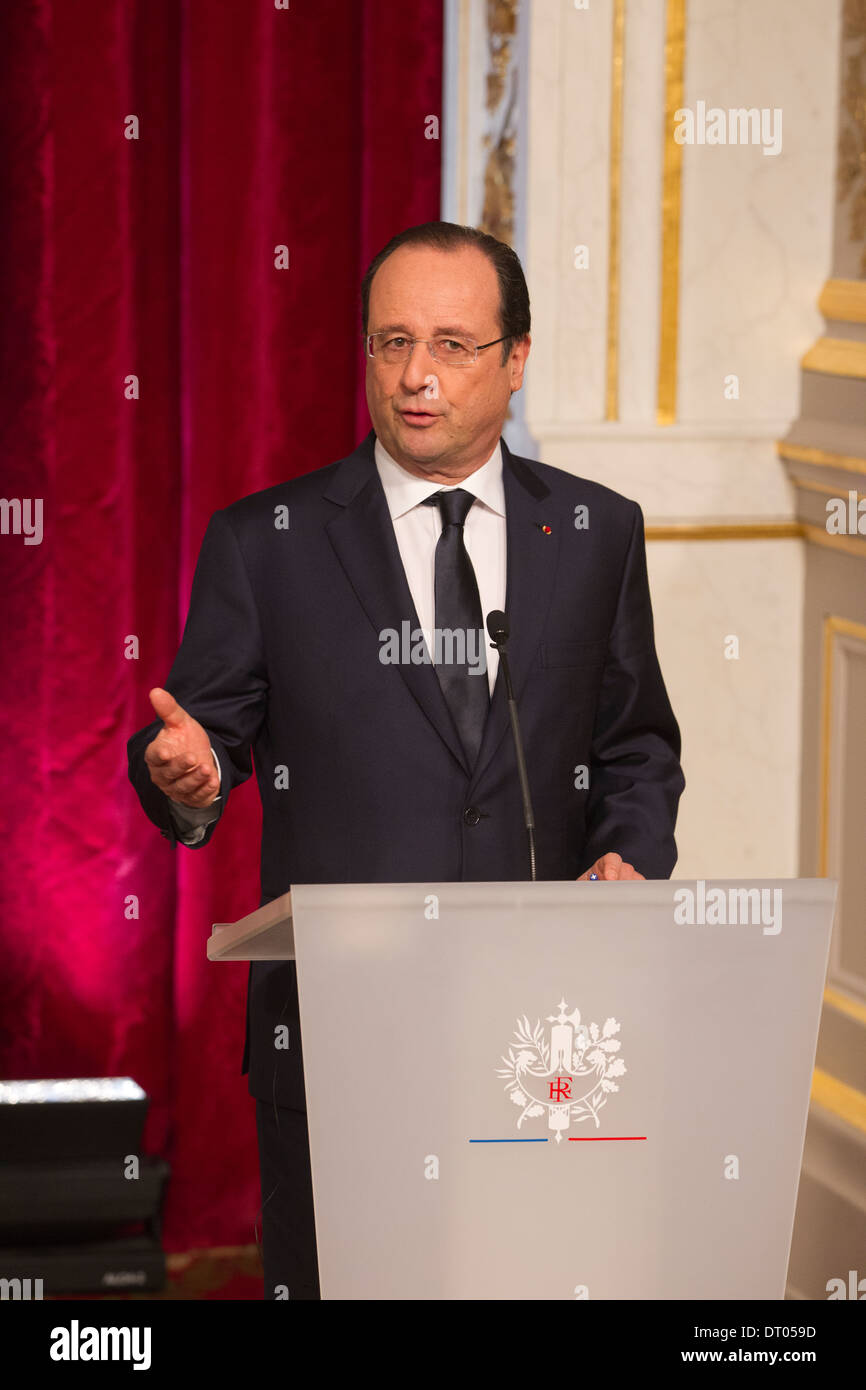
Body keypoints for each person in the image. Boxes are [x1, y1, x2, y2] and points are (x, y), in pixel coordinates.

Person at [127, 221, 685, 1300]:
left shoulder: (594, 531)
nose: (415, 376)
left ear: (515, 361)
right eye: (389, 343)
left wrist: (627, 853)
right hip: (342, 1031)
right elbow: (197, 740)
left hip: (541, 1030)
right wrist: (187, 779)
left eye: (451, 344)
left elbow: (634, 746)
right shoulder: (267, 542)